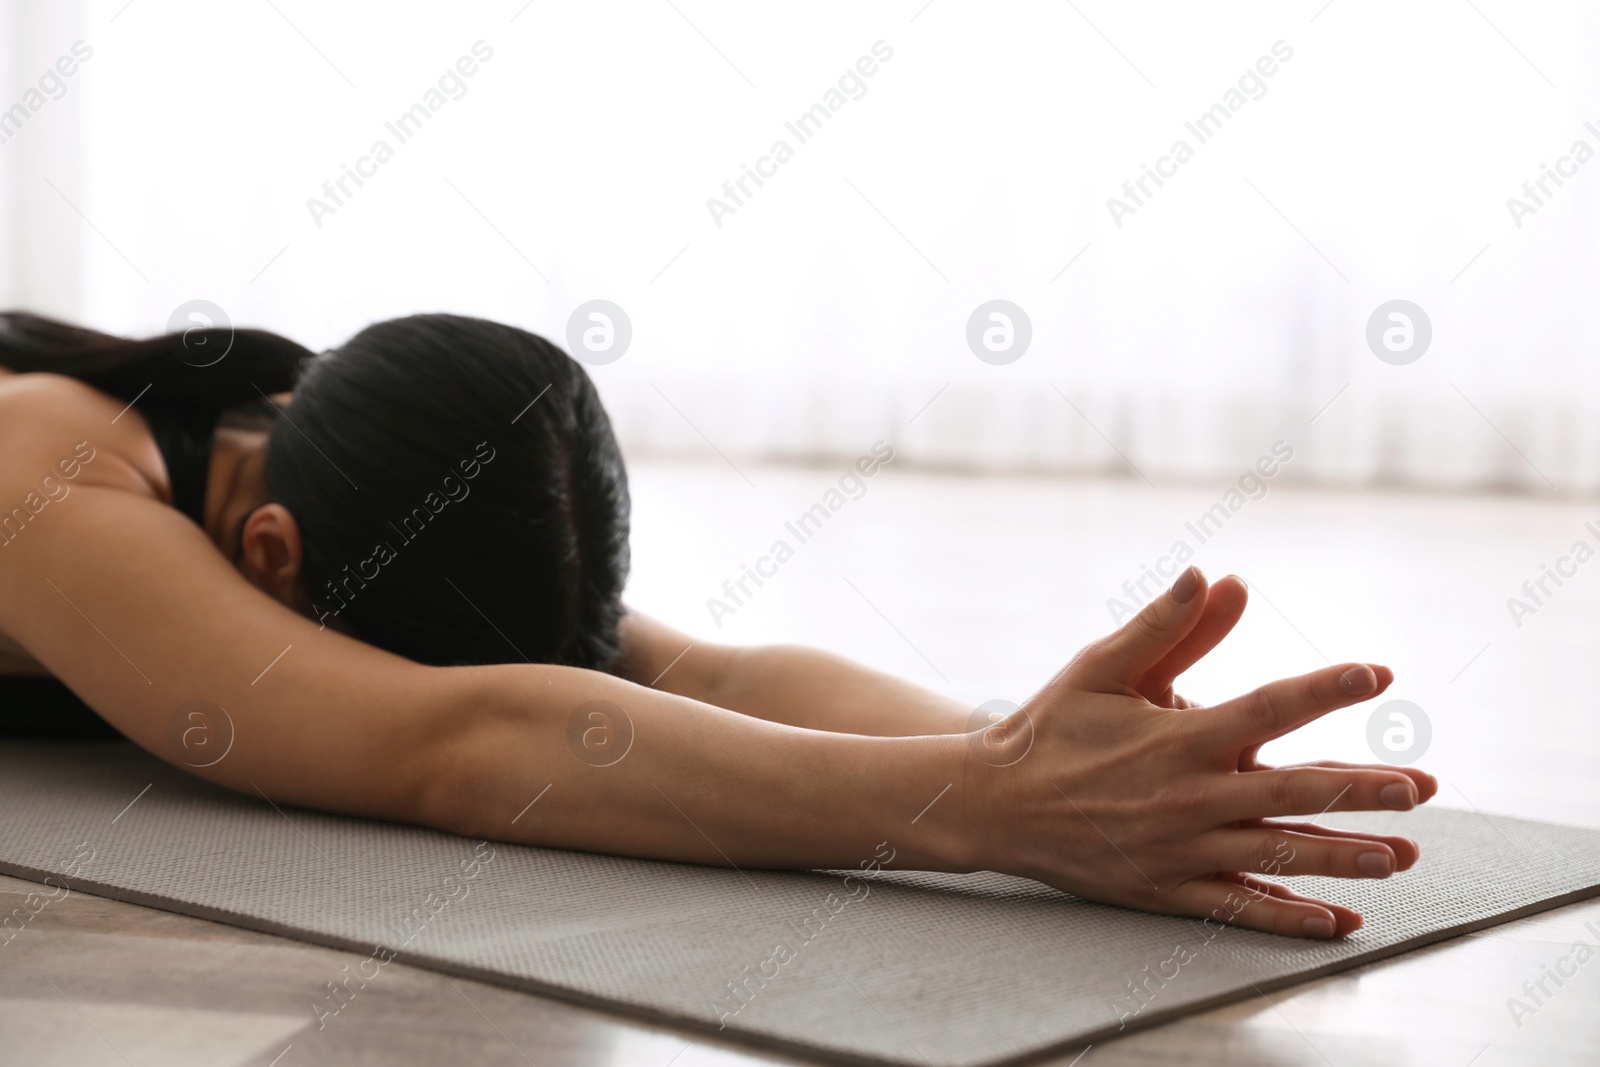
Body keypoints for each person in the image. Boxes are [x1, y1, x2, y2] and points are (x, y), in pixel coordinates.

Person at [0, 310, 1435, 940]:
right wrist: (995, 815)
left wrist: (1042, 747)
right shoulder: (46, 468)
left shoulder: (342, 450)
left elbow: (696, 671)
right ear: (271, 555)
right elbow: (450, 739)